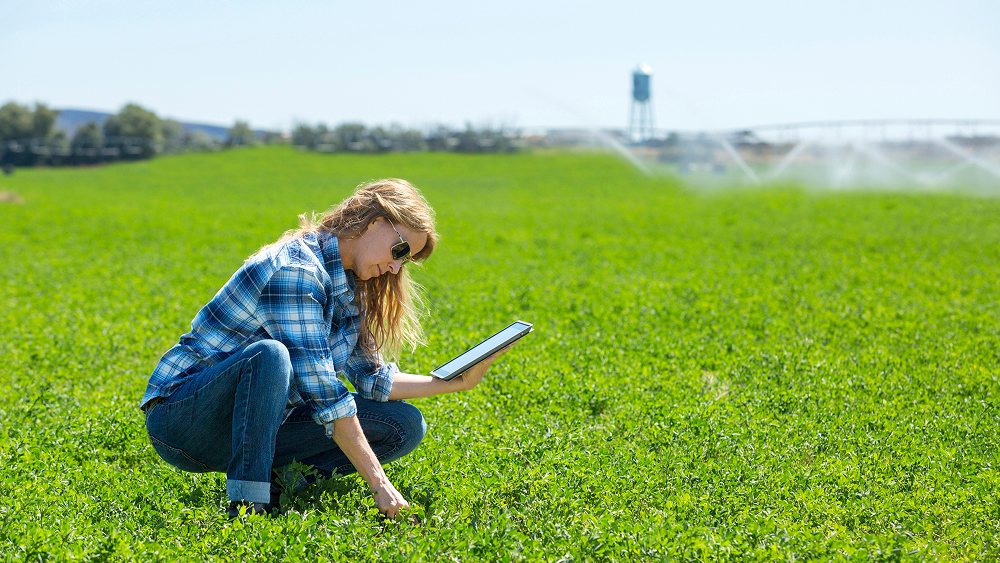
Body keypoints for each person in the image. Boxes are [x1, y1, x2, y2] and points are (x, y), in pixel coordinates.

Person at [140, 178, 509, 519]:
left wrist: (454, 382)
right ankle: (249, 504)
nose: (397, 267)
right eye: (399, 249)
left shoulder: (352, 285)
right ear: (372, 221)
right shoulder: (296, 271)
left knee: (403, 424)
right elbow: (327, 398)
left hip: (257, 426)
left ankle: (281, 484)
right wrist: (380, 484)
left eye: (405, 259)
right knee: (269, 356)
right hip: (182, 420)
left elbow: (372, 380)